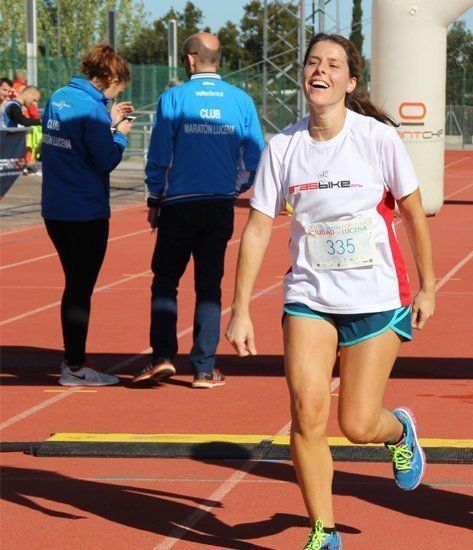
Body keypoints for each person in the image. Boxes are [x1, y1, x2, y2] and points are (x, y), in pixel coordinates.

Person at [225, 33, 436, 549]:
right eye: (313, 63)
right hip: (309, 297)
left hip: (377, 298)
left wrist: (429, 285)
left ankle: (399, 431)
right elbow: (256, 228)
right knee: (306, 411)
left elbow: (412, 212)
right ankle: (325, 530)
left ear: (350, 81)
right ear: (304, 75)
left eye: (334, 65)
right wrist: (240, 308)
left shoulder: (377, 140)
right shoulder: (283, 148)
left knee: (358, 424)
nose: (321, 71)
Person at [134, 33, 264, 388]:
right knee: (209, 286)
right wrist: (231, 188)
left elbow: (159, 154)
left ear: (190, 59)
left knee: (165, 281)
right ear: (217, 59)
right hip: (219, 204)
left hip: (178, 204)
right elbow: (254, 159)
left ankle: (162, 356)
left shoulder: (173, 98)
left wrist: (155, 198)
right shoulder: (241, 101)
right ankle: (204, 369)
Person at [40, 44, 134, 386]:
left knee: (74, 285)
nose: (113, 95)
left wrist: (106, 122)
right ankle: (75, 366)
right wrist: (119, 136)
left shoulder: (59, 97)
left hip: (55, 208)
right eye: (115, 89)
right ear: (108, 78)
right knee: (80, 288)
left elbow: (69, 141)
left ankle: (74, 360)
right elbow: (105, 160)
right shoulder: (92, 111)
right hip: (85, 211)